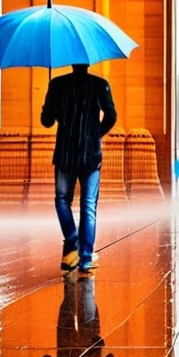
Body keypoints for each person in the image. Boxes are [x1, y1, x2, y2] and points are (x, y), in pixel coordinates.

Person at [41, 63, 117, 275]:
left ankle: (72, 239)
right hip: (91, 155)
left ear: (71, 63)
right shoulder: (100, 84)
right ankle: (85, 259)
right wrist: (96, 135)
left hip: (65, 153)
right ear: (88, 63)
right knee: (89, 205)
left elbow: (46, 121)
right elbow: (111, 115)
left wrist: (48, 107)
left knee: (62, 200)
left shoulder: (57, 84)